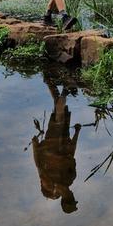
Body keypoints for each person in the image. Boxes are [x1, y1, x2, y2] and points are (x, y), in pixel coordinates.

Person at [32, 82, 81, 214]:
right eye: (73, 198)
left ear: (67, 199)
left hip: (51, 143)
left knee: (59, 117)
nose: (71, 195)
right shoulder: (70, 178)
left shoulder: (50, 188)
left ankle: (64, 90)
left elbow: (39, 167)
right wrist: (77, 133)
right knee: (60, 113)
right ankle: (50, 82)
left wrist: (35, 147)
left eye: (71, 198)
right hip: (62, 140)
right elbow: (71, 153)